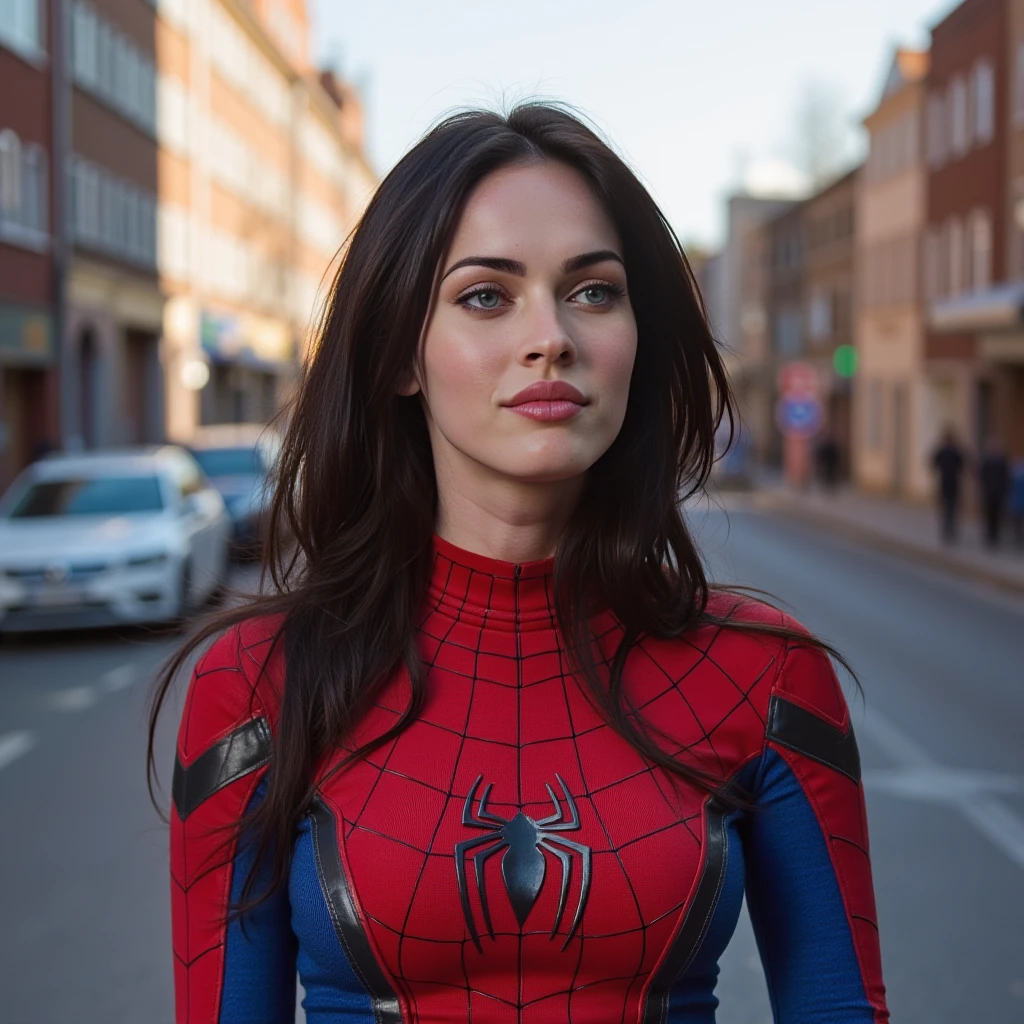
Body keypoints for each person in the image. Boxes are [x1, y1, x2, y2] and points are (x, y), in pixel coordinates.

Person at [149, 106, 889, 1023]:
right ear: (399, 355)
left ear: (634, 340)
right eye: (486, 296)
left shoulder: (767, 677)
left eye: (593, 291)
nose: (553, 337)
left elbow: (841, 1008)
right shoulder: (255, 684)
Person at [931, 428, 966, 543]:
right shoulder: (951, 451)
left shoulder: (946, 451)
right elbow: (962, 466)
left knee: (948, 508)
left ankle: (948, 530)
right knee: (950, 508)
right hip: (951, 483)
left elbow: (933, 464)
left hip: (947, 483)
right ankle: (949, 530)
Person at [978, 436, 1010, 548]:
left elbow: (1006, 476)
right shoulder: (987, 460)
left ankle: (995, 535)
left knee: (997, 514)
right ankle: (990, 535)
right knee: (989, 514)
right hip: (989, 491)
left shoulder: (1002, 460)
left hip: (998, 492)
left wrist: (1005, 489)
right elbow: (982, 474)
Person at [1011, 455, 1024, 548]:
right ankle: (1018, 536)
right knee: (1017, 520)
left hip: (1018, 500)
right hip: (1017, 501)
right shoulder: (1015, 473)